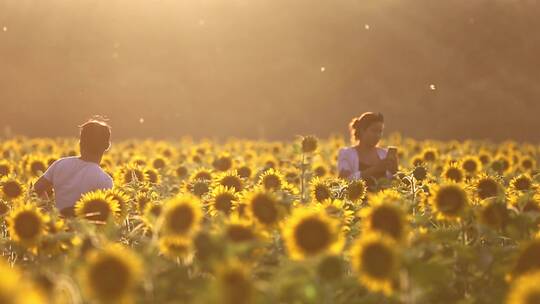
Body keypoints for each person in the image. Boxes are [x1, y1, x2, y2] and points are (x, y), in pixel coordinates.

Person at [33, 118, 113, 217]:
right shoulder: (104, 180)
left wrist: (49, 210)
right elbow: (104, 215)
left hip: (58, 227)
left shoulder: (60, 164)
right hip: (83, 230)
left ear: (80, 143)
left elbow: (36, 188)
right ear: (107, 146)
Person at [337, 112, 398, 188]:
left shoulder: (384, 154)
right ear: (362, 130)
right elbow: (344, 180)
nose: (378, 135)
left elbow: (393, 185)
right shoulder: (347, 153)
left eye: (380, 131)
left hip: (382, 199)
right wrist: (374, 169)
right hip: (358, 199)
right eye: (374, 131)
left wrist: (395, 172)